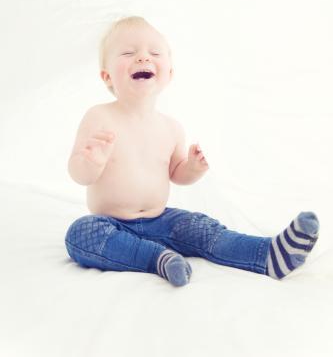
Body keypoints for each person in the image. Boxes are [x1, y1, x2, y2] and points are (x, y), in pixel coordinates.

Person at [65, 16, 319, 287]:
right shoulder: (99, 117)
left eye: (154, 53)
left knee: (202, 227)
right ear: (107, 76)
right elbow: (78, 173)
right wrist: (91, 162)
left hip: (161, 220)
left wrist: (193, 169)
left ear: (169, 74)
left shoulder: (171, 127)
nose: (142, 57)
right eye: (128, 52)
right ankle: (158, 259)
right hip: (111, 224)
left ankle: (266, 254)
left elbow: (177, 173)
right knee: (80, 233)